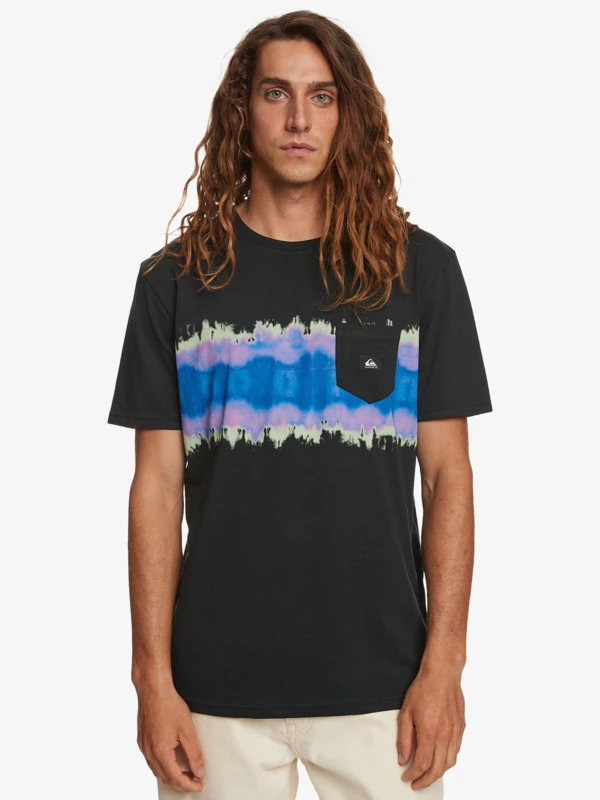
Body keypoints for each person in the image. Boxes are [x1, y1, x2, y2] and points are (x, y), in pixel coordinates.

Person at [107, 10, 493, 799]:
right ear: (241, 111)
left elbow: (448, 477)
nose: (298, 121)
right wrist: (152, 679)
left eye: (322, 97)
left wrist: (445, 666)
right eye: (276, 93)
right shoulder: (173, 283)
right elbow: (157, 487)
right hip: (213, 695)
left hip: (387, 691)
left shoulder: (419, 273)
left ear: (348, 115)